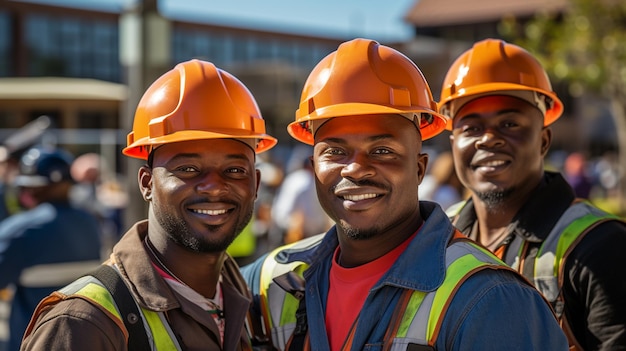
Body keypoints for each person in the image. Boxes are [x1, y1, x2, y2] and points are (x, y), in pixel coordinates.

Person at [241, 38, 568, 351]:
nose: (355, 169)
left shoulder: (491, 300)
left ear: (419, 168)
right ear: (313, 166)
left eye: (382, 150)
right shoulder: (277, 278)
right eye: (336, 151)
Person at [21, 59, 277, 350]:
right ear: (146, 183)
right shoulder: (83, 323)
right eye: (188, 168)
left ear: (255, 184)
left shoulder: (249, 303)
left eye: (234, 171)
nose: (214, 185)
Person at [439, 38, 626, 351]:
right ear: (452, 144)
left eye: (509, 123)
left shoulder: (601, 247)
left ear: (544, 140)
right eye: (471, 128)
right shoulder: (439, 237)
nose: (489, 139)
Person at [0, 145, 102, 351]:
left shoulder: (20, 229)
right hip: (86, 339)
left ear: (33, 187)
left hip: (34, 341)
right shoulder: (91, 223)